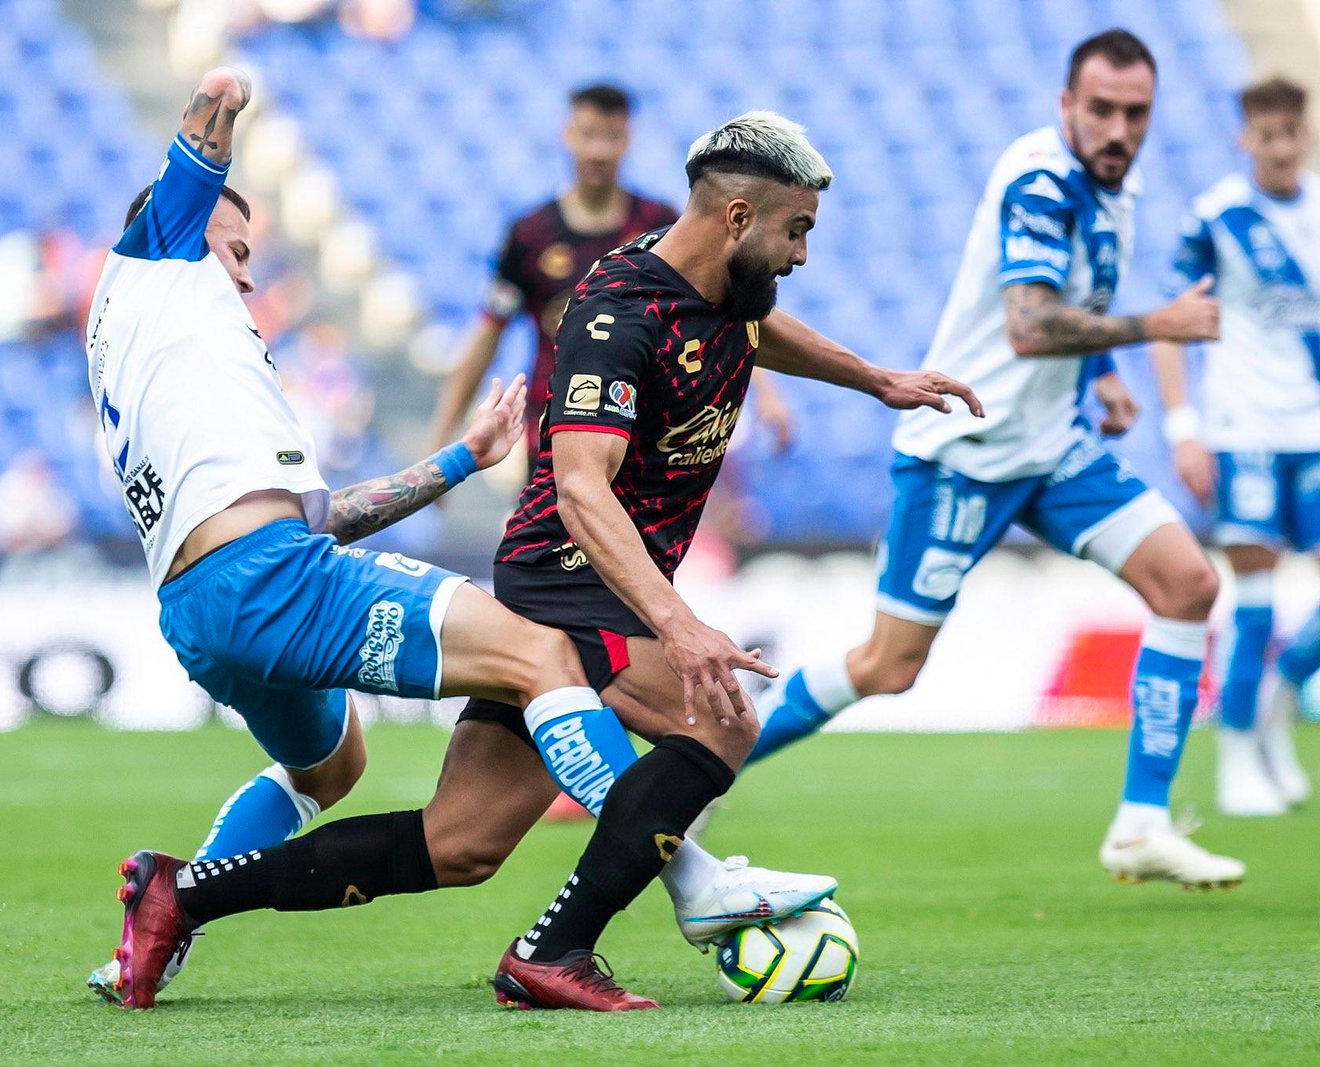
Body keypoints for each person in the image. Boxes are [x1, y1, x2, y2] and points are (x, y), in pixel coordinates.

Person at [102, 105, 980, 1012]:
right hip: (571, 573)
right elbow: (580, 490)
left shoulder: (728, 286)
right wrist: (680, 627)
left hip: (602, 575)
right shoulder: (614, 317)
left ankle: (185, 891)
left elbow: (754, 332)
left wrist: (878, 379)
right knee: (721, 721)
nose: (801, 255)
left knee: (461, 842)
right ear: (737, 219)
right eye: (796, 231)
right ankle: (558, 947)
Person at [741, 29, 1243, 890]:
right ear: (1065, 107)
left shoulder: (1111, 181)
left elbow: (1073, 299)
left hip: (1051, 450)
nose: (1120, 128)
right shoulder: (1040, 180)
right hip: (964, 451)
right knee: (887, 667)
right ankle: (711, 762)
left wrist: (1108, 371)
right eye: (1103, 110)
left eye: (1136, 113)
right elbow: (1028, 322)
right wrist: (1154, 328)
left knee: (1189, 585)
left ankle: (1141, 826)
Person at [425, 83, 791, 465]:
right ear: (567, 137)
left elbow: (723, 309)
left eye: (612, 137)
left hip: (644, 434)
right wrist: (442, 437)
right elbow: (488, 332)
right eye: (588, 136)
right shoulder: (529, 235)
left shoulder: (662, 226)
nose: (599, 151)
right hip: (553, 432)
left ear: (628, 141)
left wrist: (767, 392)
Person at [1150, 75, 1318, 817]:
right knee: (1253, 600)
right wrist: (1184, 426)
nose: (1281, 148)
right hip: (1246, 430)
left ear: (1306, 134)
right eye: (1267, 135)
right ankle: (1239, 756)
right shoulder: (1217, 218)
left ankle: (1279, 702)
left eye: (1292, 133)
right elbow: (1172, 321)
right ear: (1244, 138)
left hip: (1313, 428)